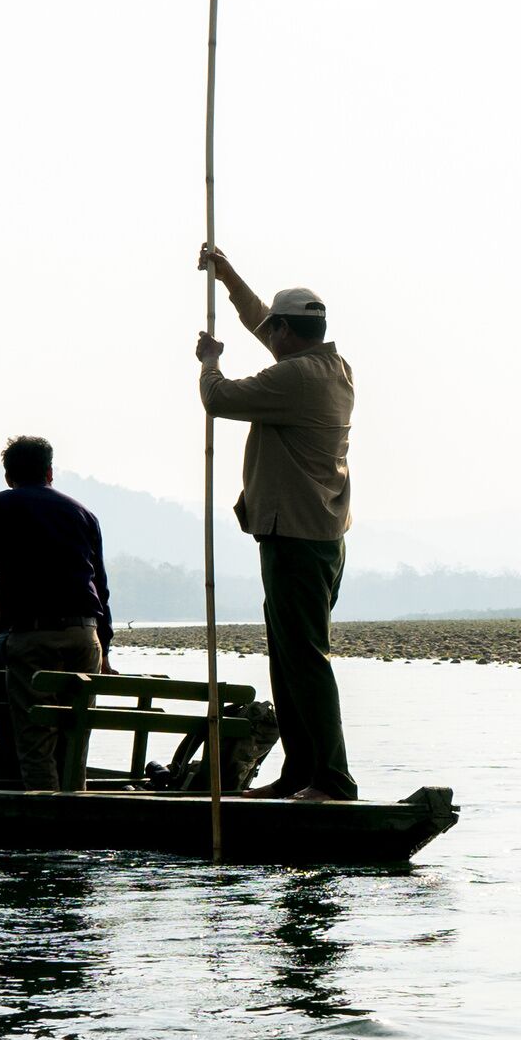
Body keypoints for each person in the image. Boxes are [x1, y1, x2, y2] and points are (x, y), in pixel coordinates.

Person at [195, 243, 355, 801]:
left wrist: (209, 359)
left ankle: (332, 780)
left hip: (297, 538)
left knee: (304, 660)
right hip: (312, 537)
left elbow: (218, 398)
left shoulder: (297, 380)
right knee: (288, 660)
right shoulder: (328, 366)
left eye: (275, 331)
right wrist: (227, 274)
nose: (270, 335)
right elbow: (260, 318)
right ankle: (299, 774)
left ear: (289, 333)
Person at [0, 436, 113, 790]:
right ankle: (78, 816)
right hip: (85, 636)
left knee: (36, 740)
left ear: (8, 477)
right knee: (75, 736)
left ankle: (48, 830)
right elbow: (100, 586)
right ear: (50, 472)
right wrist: (105, 651)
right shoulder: (84, 514)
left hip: (34, 636)